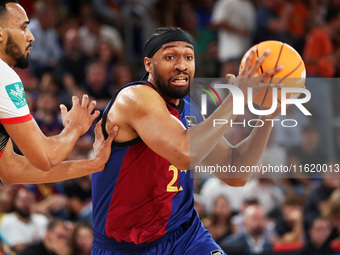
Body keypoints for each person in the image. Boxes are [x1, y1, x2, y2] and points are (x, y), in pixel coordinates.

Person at [91, 27, 283, 254]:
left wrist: (269, 114)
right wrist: (237, 99)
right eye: (170, 57)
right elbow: (185, 155)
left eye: (188, 57)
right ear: (148, 64)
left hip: (185, 235)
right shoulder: (134, 98)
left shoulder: (190, 110)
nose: (181, 65)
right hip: (126, 247)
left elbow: (235, 172)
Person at [0, 1, 118, 185]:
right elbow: (46, 157)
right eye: (23, 28)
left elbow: (11, 169)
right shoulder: (4, 75)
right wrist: (75, 127)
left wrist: (95, 164)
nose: (31, 37)